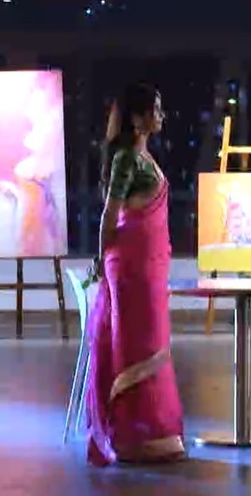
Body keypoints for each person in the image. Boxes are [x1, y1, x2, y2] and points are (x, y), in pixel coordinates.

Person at [86, 82, 185, 466]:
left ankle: (156, 431)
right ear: (138, 118)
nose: (161, 115)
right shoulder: (127, 159)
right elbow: (110, 216)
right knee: (136, 344)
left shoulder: (144, 156)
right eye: (155, 110)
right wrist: (100, 261)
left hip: (149, 266)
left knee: (152, 340)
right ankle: (132, 436)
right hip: (130, 267)